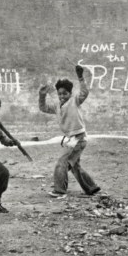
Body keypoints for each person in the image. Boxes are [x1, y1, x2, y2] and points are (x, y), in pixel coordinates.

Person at [38, 65, 101, 199]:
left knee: (62, 163)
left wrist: (80, 77)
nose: (62, 96)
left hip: (79, 138)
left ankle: (60, 191)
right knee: (75, 166)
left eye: (65, 93)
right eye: (59, 93)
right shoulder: (57, 106)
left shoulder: (74, 101)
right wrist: (42, 95)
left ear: (70, 93)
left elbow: (84, 92)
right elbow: (43, 108)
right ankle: (91, 188)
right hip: (71, 140)